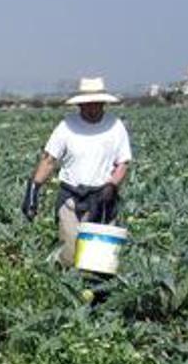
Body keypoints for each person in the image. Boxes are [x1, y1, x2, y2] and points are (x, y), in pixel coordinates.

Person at [22, 77, 133, 266]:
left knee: (99, 262)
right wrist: (33, 190)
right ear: (79, 105)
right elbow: (49, 160)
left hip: (103, 198)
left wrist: (112, 185)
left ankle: (96, 293)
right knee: (70, 253)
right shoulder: (66, 126)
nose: (90, 108)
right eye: (86, 104)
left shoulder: (115, 126)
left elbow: (123, 163)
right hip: (71, 198)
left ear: (103, 104)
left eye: (95, 104)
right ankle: (68, 288)